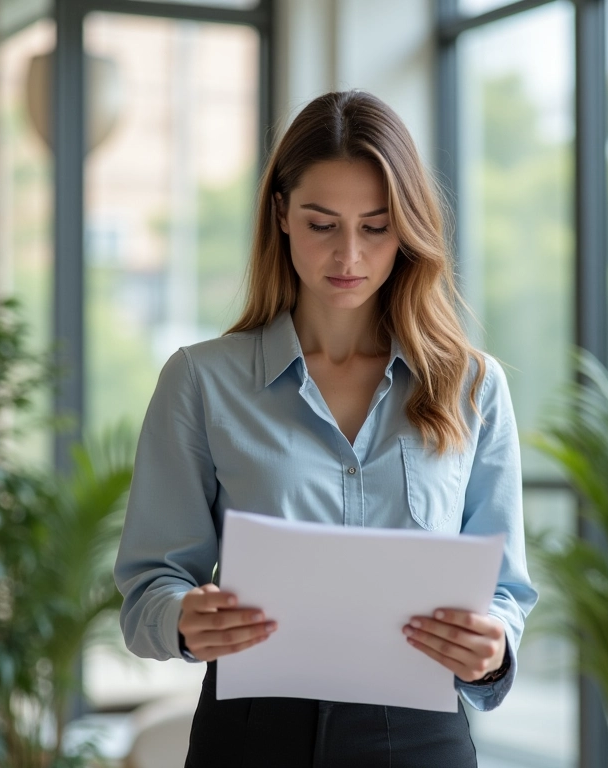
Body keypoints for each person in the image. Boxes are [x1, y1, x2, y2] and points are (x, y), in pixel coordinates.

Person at [114, 89, 538, 768]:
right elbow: (148, 590)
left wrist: (492, 649)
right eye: (322, 224)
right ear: (281, 214)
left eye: (375, 226)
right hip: (249, 736)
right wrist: (183, 619)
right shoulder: (200, 380)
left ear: (407, 229)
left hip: (420, 738)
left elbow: (506, 591)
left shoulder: (473, 387)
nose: (349, 255)